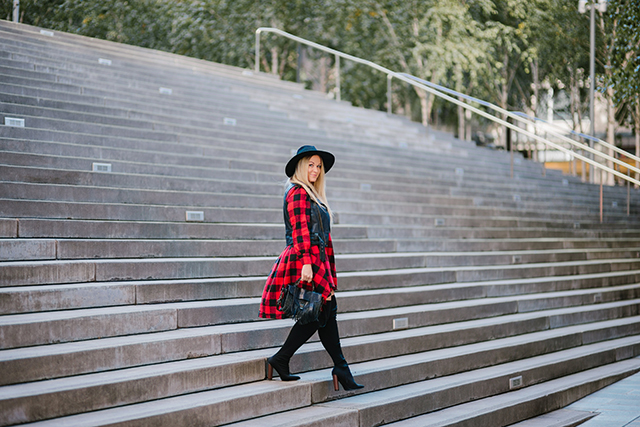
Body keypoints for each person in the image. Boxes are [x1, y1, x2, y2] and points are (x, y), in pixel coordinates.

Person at [258, 145, 364, 391]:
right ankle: (294, 360)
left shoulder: (311, 194)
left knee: (326, 310)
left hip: (318, 258)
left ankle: (331, 366)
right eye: (311, 164)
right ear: (300, 166)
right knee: (320, 311)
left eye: (318, 166)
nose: (315, 169)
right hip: (308, 259)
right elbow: (300, 231)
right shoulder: (297, 193)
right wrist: (307, 262)